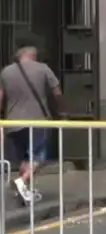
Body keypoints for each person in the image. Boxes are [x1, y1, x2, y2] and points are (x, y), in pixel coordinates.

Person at [0, 32, 63, 204]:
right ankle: (22, 181)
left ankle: (23, 193)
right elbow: (57, 93)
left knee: (24, 159)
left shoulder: (6, 72)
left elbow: (1, 97)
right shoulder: (43, 69)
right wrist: (61, 109)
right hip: (36, 121)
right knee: (38, 158)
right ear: (32, 53)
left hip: (12, 123)